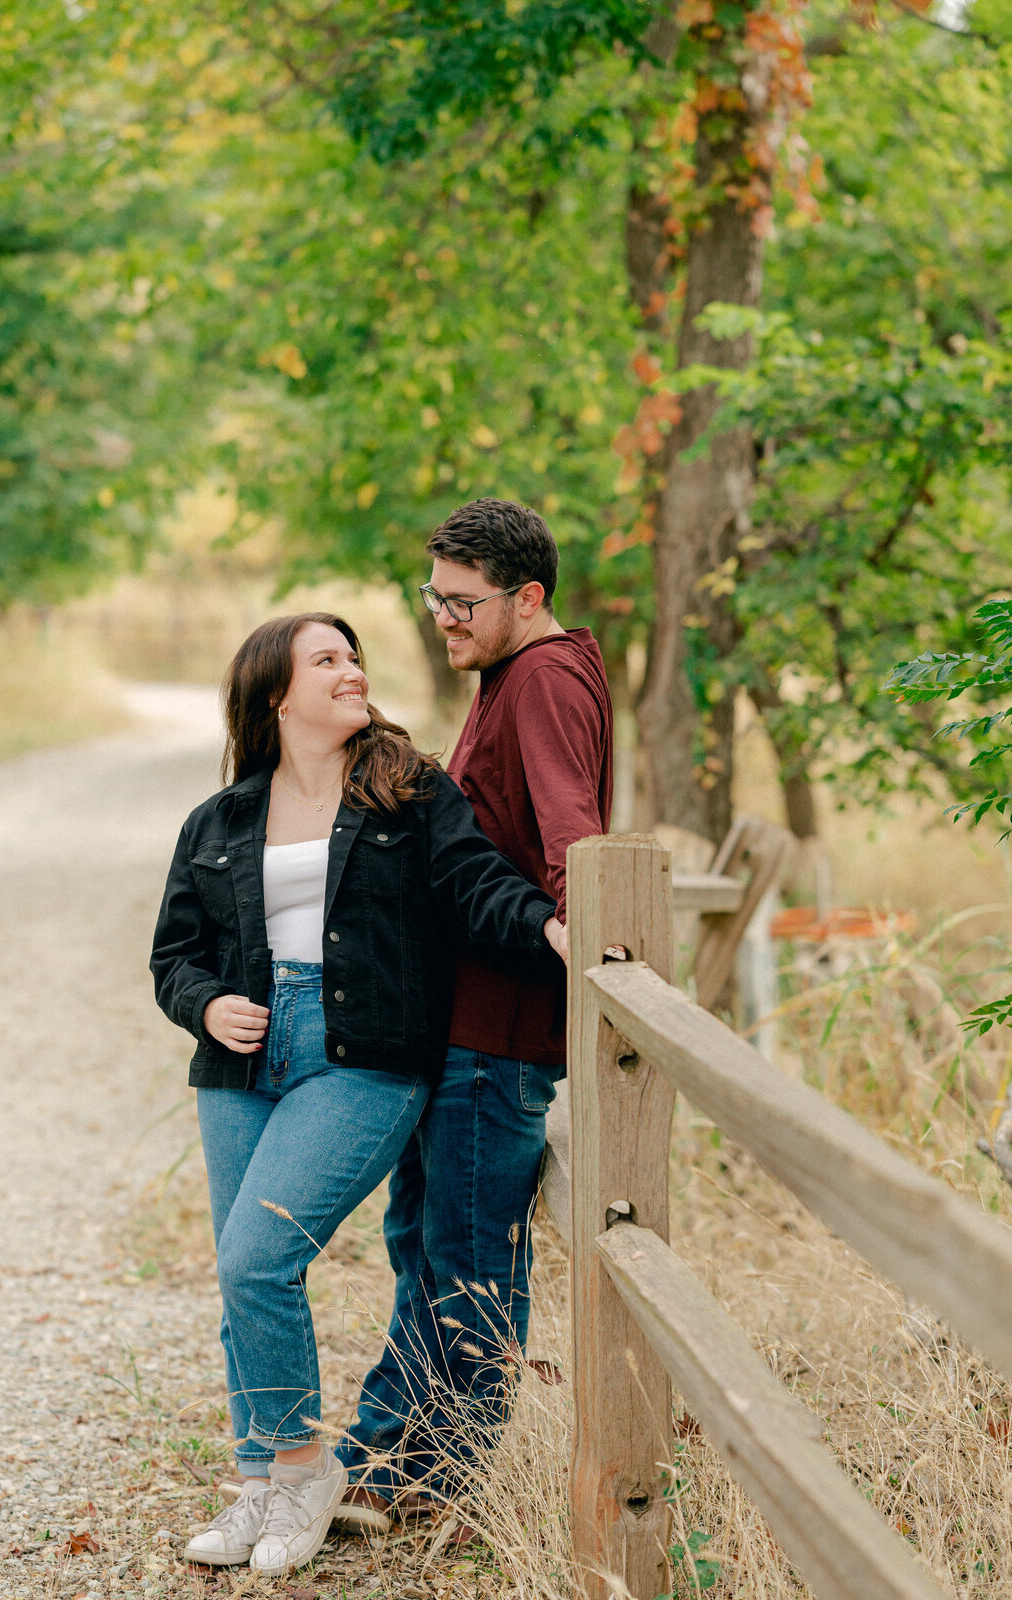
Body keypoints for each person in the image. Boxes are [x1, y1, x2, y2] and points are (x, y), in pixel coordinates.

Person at [150, 611, 566, 1578]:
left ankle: (303, 1473)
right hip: (244, 1061)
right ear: (275, 696)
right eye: (325, 660)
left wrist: (550, 926)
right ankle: (261, 1481)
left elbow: (473, 884)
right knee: (240, 1276)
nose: (351, 670)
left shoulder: (406, 789)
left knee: (258, 1258)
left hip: (364, 1060)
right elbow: (175, 956)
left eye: (352, 655)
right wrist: (207, 1005)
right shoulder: (218, 821)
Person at [338, 499, 614, 1520]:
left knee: (466, 1264)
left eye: (462, 602)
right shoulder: (517, 671)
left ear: (525, 596)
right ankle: (389, 1464)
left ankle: (430, 1481)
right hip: (460, 1030)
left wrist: (585, 930)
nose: (443, 618)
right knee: (425, 1244)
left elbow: (570, 831)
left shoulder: (542, 677)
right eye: (434, 598)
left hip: (496, 1039)